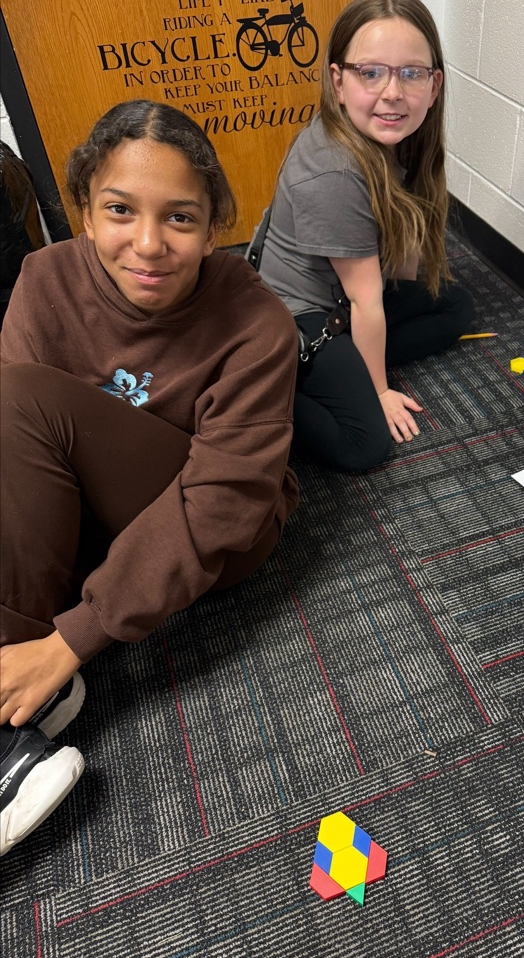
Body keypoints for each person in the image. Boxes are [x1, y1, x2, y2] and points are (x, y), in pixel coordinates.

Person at [0, 100, 300, 855]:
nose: (147, 244)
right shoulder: (44, 277)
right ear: (84, 210)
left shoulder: (257, 320)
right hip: (93, 514)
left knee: (18, 396)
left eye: (180, 219)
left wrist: (74, 638)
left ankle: (20, 708)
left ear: (213, 223)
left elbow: (222, 505)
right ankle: (18, 695)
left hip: (217, 526)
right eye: (120, 210)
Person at [258, 0, 474, 471]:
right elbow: (365, 300)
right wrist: (378, 390)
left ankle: (347, 366)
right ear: (338, 81)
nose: (392, 92)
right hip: (302, 314)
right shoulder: (334, 171)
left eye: (411, 73)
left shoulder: (390, 135)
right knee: (365, 444)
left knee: (457, 306)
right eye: (370, 72)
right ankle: (269, 390)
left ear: (434, 86)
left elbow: (398, 256)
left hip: (347, 294)